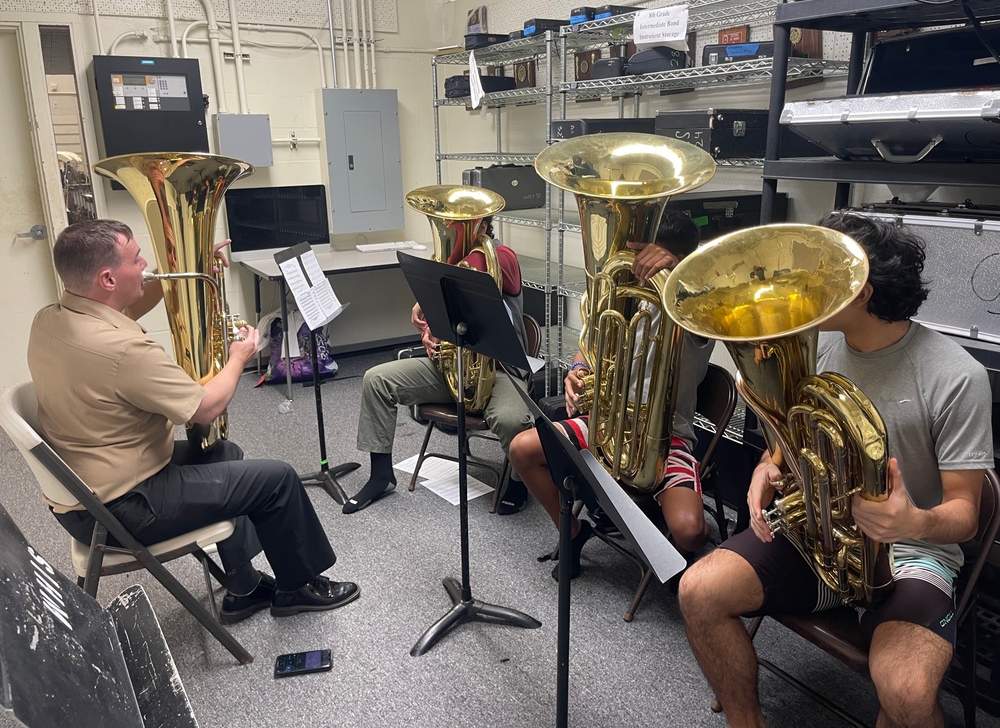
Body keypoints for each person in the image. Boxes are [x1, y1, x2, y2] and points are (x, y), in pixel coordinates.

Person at [678, 213, 994, 728]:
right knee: (698, 592)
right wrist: (766, 466)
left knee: (909, 697)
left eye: (811, 279)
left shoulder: (957, 375)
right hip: (816, 531)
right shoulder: (817, 346)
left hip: (912, 552)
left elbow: (965, 516)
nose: (793, 291)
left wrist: (910, 522)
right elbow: (792, 438)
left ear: (860, 291)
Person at [28, 219, 360, 624]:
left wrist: (194, 264)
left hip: (82, 497)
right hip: (124, 507)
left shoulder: (50, 318)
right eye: (137, 259)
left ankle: (244, 587)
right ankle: (298, 588)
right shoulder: (122, 349)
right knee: (277, 479)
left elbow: (130, 301)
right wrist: (240, 356)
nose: (147, 264)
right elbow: (205, 408)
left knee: (225, 453)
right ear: (108, 278)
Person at [509, 210, 715, 579]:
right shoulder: (617, 297)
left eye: (651, 260)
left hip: (668, 440)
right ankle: (572, 532)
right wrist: (578, 371)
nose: (641, 269)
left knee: (690, 531)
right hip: (606, 424)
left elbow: (719, 296)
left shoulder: (697, 311)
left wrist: (683, 273)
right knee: (522, 449)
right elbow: (587, 349)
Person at [346, 217, 534, 515]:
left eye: (455, 225)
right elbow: (436, 324)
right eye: (444, 224)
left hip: (500, 372)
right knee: (376, 380)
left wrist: (437, 279)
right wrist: (428, 332)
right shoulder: (443, 264)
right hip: (452, 370)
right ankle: (381, 475)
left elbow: (487, 266)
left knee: (514, 420)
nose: (446, 231)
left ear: (481, 228)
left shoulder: (501, 256)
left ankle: (517, 482)